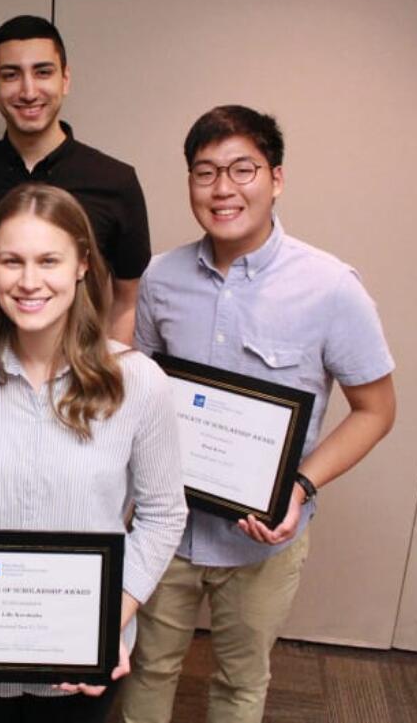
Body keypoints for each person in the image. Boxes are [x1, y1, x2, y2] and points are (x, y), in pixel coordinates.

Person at [118, 106, 397, 723]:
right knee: (148, 667)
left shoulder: (331, 287)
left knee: (241, 682)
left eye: (242, 169)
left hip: (263, 540)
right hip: (167, 526)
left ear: (276, 177)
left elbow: (376, 411)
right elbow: (142, 394)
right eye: (205, 172)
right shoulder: (161, 278)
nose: (223, 188)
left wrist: (299, 488)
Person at [0, 184, 187, 723]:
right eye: (12, 261)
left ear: (83, 263)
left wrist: (114, 618)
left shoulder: (137, 383)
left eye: (49, 260)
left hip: (82, 653)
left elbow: (163, 513)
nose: (29, 281)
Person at [0, 15, 150, 345]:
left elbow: (128, 300)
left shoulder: (115, 180)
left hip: (80, 373)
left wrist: (109, 373)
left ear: (65, 79)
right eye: (11, 75)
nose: (29, 90)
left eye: (43, 72)